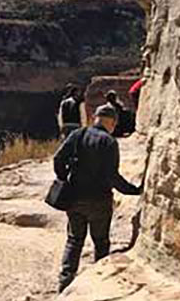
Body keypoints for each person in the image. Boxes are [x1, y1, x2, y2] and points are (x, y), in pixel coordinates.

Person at [52, 103, 143, 291]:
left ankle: (65, 281)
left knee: (74, 240)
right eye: (114, 124)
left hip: (74, 198)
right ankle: (98, 283)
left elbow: (58, 159)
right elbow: (113, 176)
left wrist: (64, 179)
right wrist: (134, 190)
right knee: (101, 242)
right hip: (99, 200)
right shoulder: (109, 142)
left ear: (96, 118)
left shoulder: (78, 135)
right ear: (111, 122)